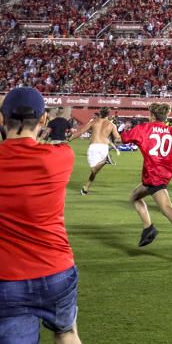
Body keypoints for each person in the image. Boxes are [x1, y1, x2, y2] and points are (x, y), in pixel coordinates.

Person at [0, 87, 81, 343]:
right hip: (57, 270)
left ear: (2, 119)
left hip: (8, 277)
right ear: (43, 119)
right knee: (67, 333)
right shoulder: (62, 157)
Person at [120, 103, 172, 258]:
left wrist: (120, 130)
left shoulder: (144, 128)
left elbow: (124, 138)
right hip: (162, 173)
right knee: (135, 196)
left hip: (154, 173)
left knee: (166, 208)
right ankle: (148, 227)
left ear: (151, 115)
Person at [72, 107, 122, 195]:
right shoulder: (112, 125)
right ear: (108, 114)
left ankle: (105, 161)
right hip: (104, 148)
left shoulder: (93, 122)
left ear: (100, 113)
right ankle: (85, 188)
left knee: (94, 169)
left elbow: (81, 131)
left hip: (94, 146)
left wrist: (69, 139)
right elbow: (118, 138)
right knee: (95, 171)